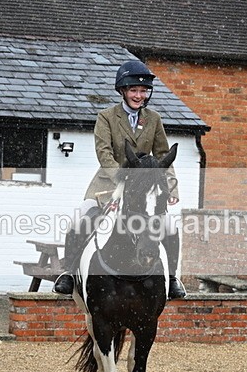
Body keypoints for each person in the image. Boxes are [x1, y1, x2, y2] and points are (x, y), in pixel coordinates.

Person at [53, 59, 185, 299]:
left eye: (143, 91)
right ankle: (69, 273)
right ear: (123, 91)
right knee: (81, 217)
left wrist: (170, 186)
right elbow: (104, 153)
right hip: (108, 184)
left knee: (170, 226)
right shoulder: (106, 117)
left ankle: (173, 278)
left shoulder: (153, 119)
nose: (139, 95)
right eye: (134, 90)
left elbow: (164, 155)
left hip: (145, 188)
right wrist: (123, 179)